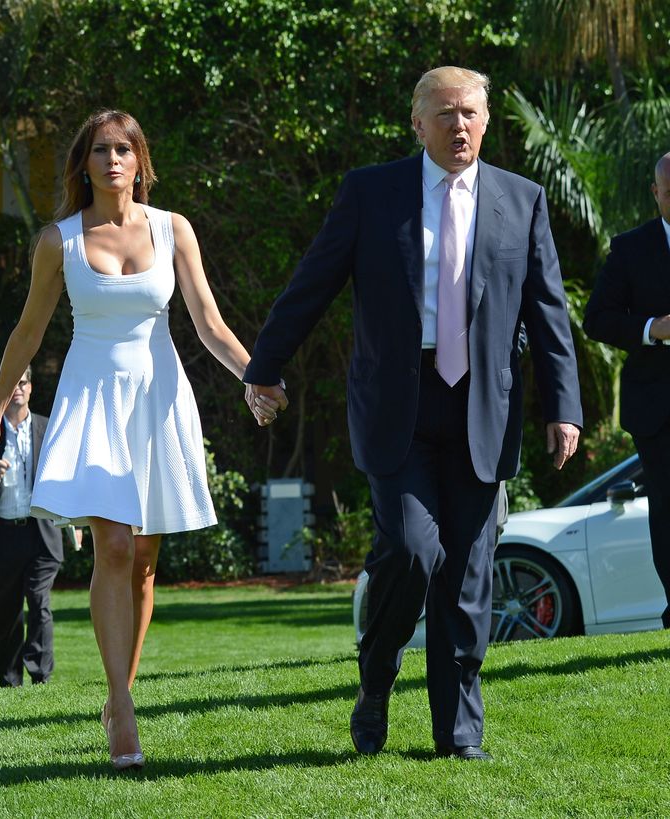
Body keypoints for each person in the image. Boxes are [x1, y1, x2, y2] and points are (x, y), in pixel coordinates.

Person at [244, 66, 583, 761]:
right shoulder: (372, 193)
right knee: (410, 547)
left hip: (483, 408)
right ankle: (376, 677)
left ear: (486, 122)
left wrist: (563, 406)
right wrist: (265, 366)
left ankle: (458, 733)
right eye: (445, 113)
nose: (459, 125)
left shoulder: (522, 201)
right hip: (398, 403)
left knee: (466, 574)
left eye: (471, 113)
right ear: (417, 123)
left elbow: (548, 314)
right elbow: (314, 281)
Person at [0, 110, 274, 770]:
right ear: (83, 163)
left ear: (140, 160)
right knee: (110, 543)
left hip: (157, 397)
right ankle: (121, 707)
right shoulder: (59, 240)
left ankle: (120, 692)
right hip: (91, 396)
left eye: (124, 149)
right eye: (101, 150)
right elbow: (27, 334)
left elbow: (210, 322)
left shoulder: (174, 229)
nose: (112, 159)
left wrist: (256, 377)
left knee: (142, 558)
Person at [583, 151, 670, 630]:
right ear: (656, 193)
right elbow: (597, 318)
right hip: (659, 408)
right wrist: (651, 329)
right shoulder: (631, 249)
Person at [0, 366, 66, 687]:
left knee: (39, 600)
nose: (17, 389)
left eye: (23, 383)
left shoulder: (49, 428)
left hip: (41, 532)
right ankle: (8, 681)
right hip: (0, 534)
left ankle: (40, 674)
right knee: (6, 611)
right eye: (12, 384)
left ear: (31, 388)